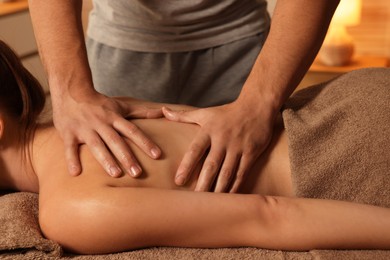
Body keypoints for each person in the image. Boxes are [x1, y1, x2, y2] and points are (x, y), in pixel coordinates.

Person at [1, 40, 389, 254]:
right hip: (354, 97)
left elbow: (270, 215)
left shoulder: (69, 210)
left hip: (358, 155)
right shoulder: (107, 110)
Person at [27, 0, 340, 192]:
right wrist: (70, 91)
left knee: (255, 179)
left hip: (244, 50)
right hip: (119, 54)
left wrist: (259, 102)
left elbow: (266, 214)